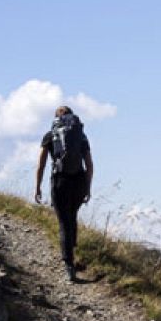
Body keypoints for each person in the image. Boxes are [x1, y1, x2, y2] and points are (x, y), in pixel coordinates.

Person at [35, 106, 94, 282]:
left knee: (63, 223)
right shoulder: (81, 136)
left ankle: (69, 265)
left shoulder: (50, 135)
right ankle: (72, 250)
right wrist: (87, 187)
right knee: (72, 216)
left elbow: (41, 164)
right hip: (79, 181)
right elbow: (89, 165)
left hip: (60, 181)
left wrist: (37, 187)